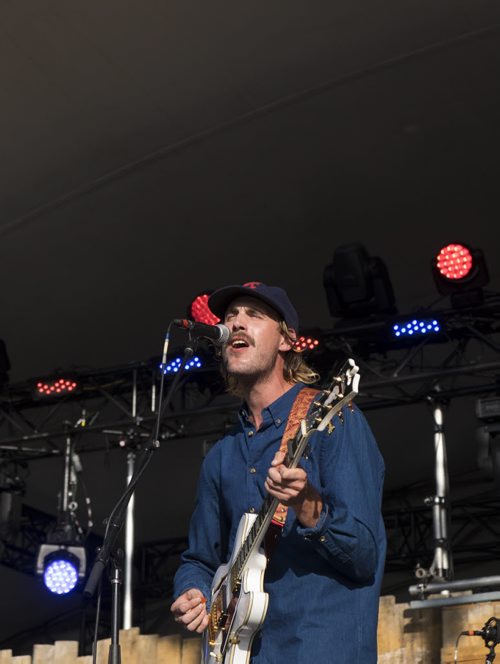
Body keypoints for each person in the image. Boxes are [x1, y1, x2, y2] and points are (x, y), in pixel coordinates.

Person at [171, 281, 386, 662]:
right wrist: (194, 590)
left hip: (318, 648)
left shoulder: (333, 419)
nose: (236, 324)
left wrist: (307, 506)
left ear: (287, 340)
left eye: (254, 315)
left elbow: (364, 555)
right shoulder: (221, 455)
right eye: (230, 317)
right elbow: (199, 559)